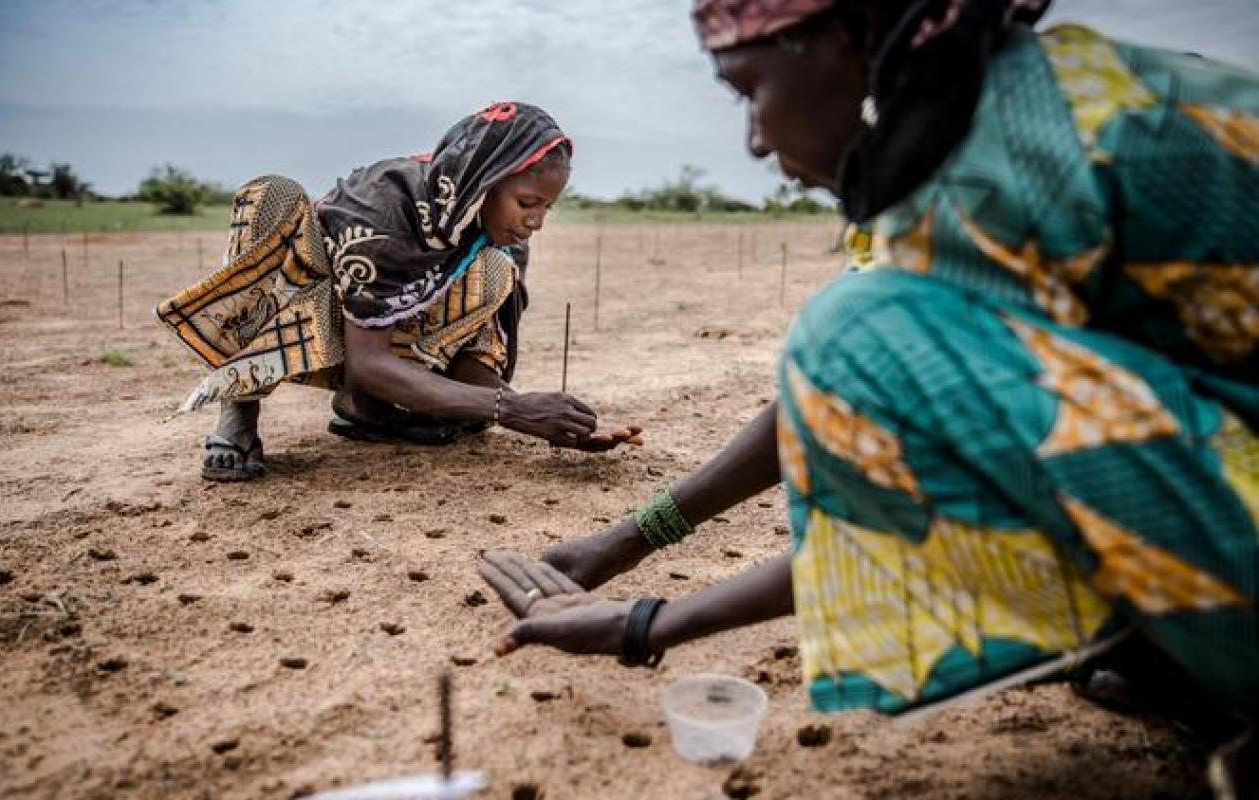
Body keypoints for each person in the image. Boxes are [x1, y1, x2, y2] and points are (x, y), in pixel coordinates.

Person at [477, 3, 1259, 795]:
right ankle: (1174, 659)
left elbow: (892, 436)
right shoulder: (993, 118)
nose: (753, 138)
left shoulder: (1012, 165)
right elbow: (849, 390)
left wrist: (648, 625)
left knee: (849, 330)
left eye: (748, 89)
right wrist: (631, 540)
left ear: (851, 39)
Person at [156, 102, 640, 481]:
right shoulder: (385, 212)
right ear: (483, 183)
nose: (536, 220)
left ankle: (365, 410)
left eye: (547, 208)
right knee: (272, 196)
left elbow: (472, 358)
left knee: (497, 268)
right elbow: (370, 361)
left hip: (378, 342)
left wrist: (558, 424)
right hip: (308, 315)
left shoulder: (492, 240)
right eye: (527, 203)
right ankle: (239, 414)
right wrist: (513, 410)